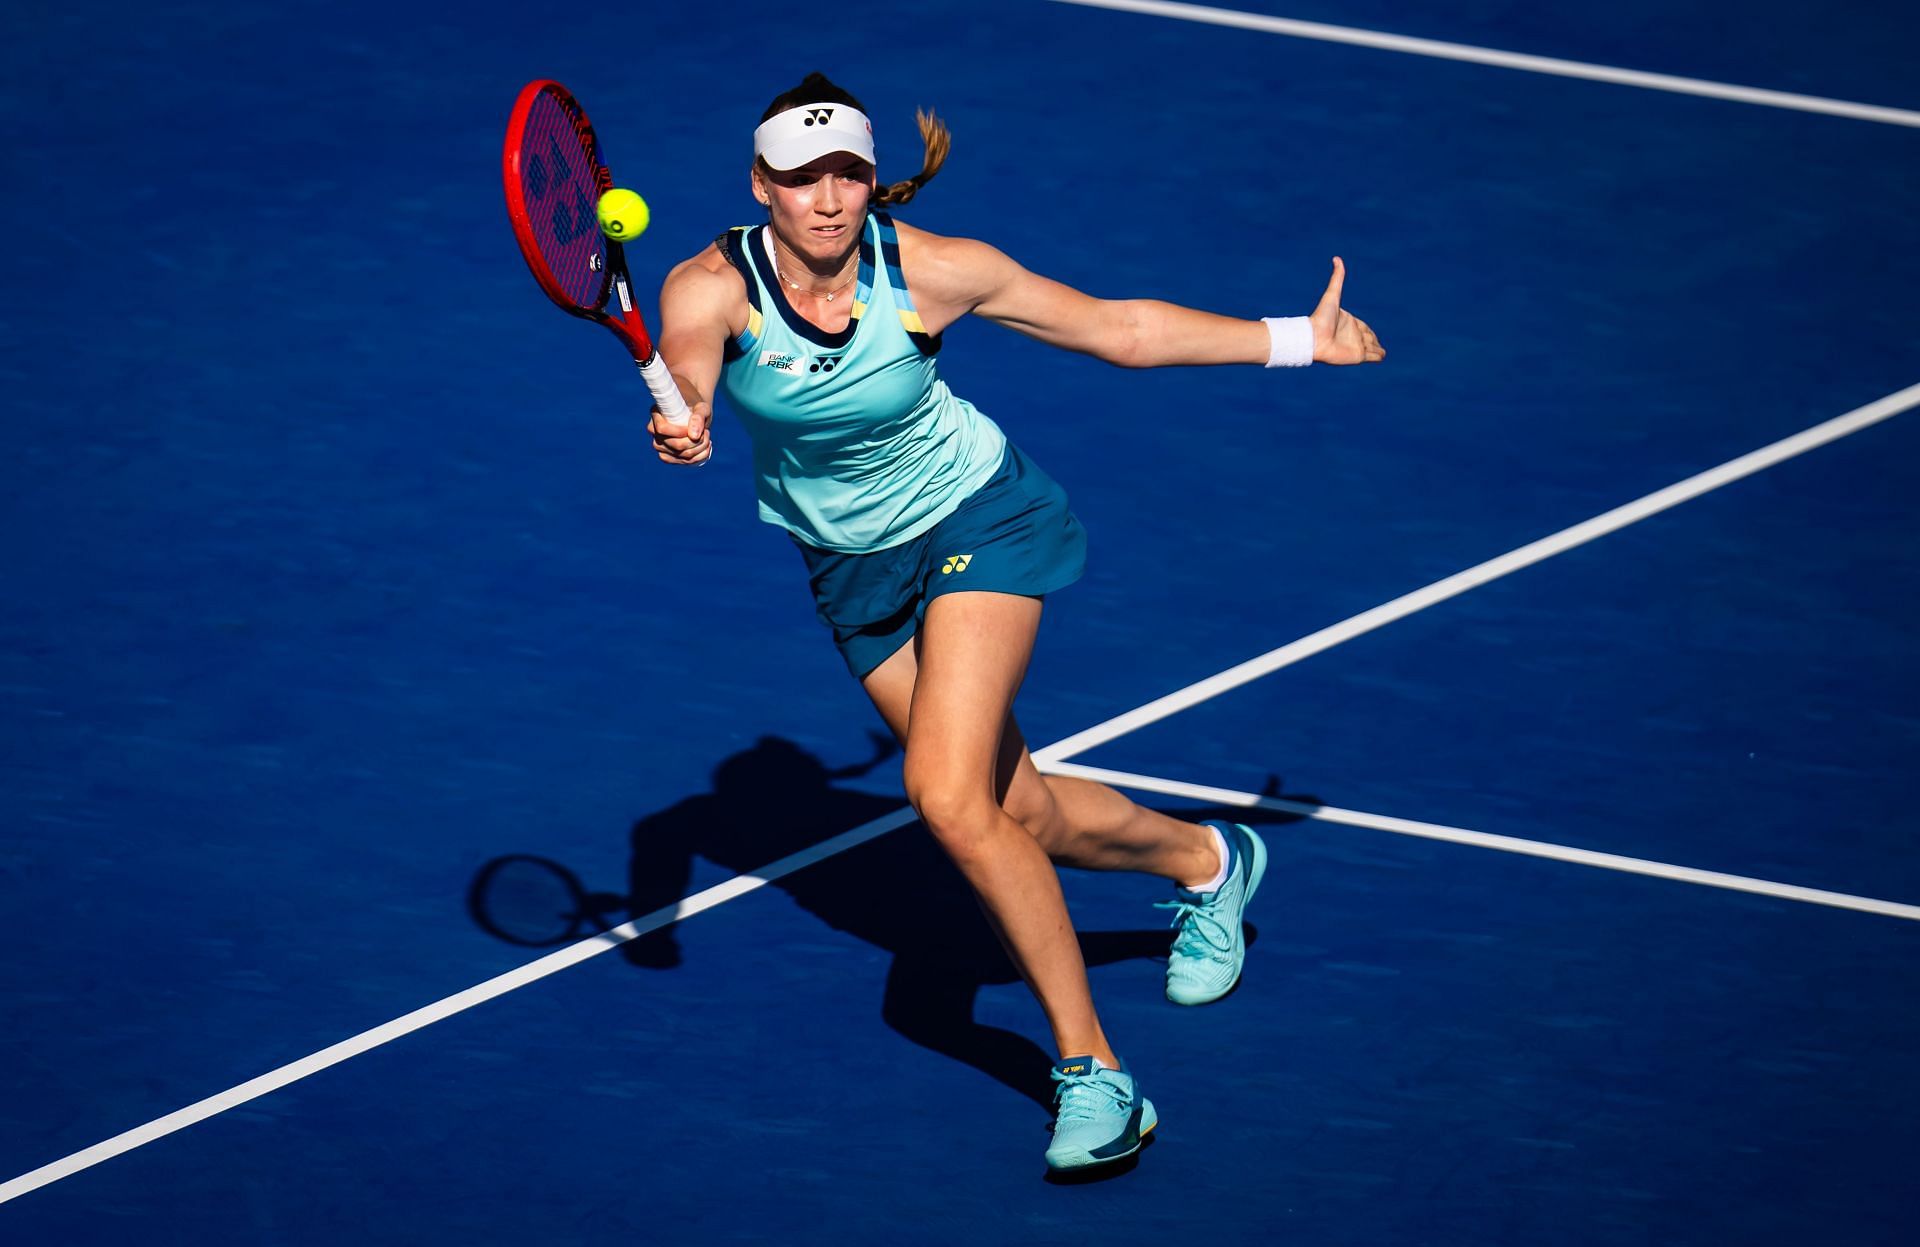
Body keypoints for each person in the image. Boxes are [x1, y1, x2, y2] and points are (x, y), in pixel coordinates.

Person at [647, 72, 1385, 1172]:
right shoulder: (708, 289)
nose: (830, 197)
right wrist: (688, 418)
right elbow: (692, 369)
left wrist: (1290, 339)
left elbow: (1118, 331)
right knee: (1019, 811)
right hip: (852, 573)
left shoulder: (936, 270)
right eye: (802, 179)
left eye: (847, 171)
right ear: (762, 186)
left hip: (981, 518)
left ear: (868, 177)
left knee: (944, 796)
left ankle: (1094, 1074)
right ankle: (1205, 860)